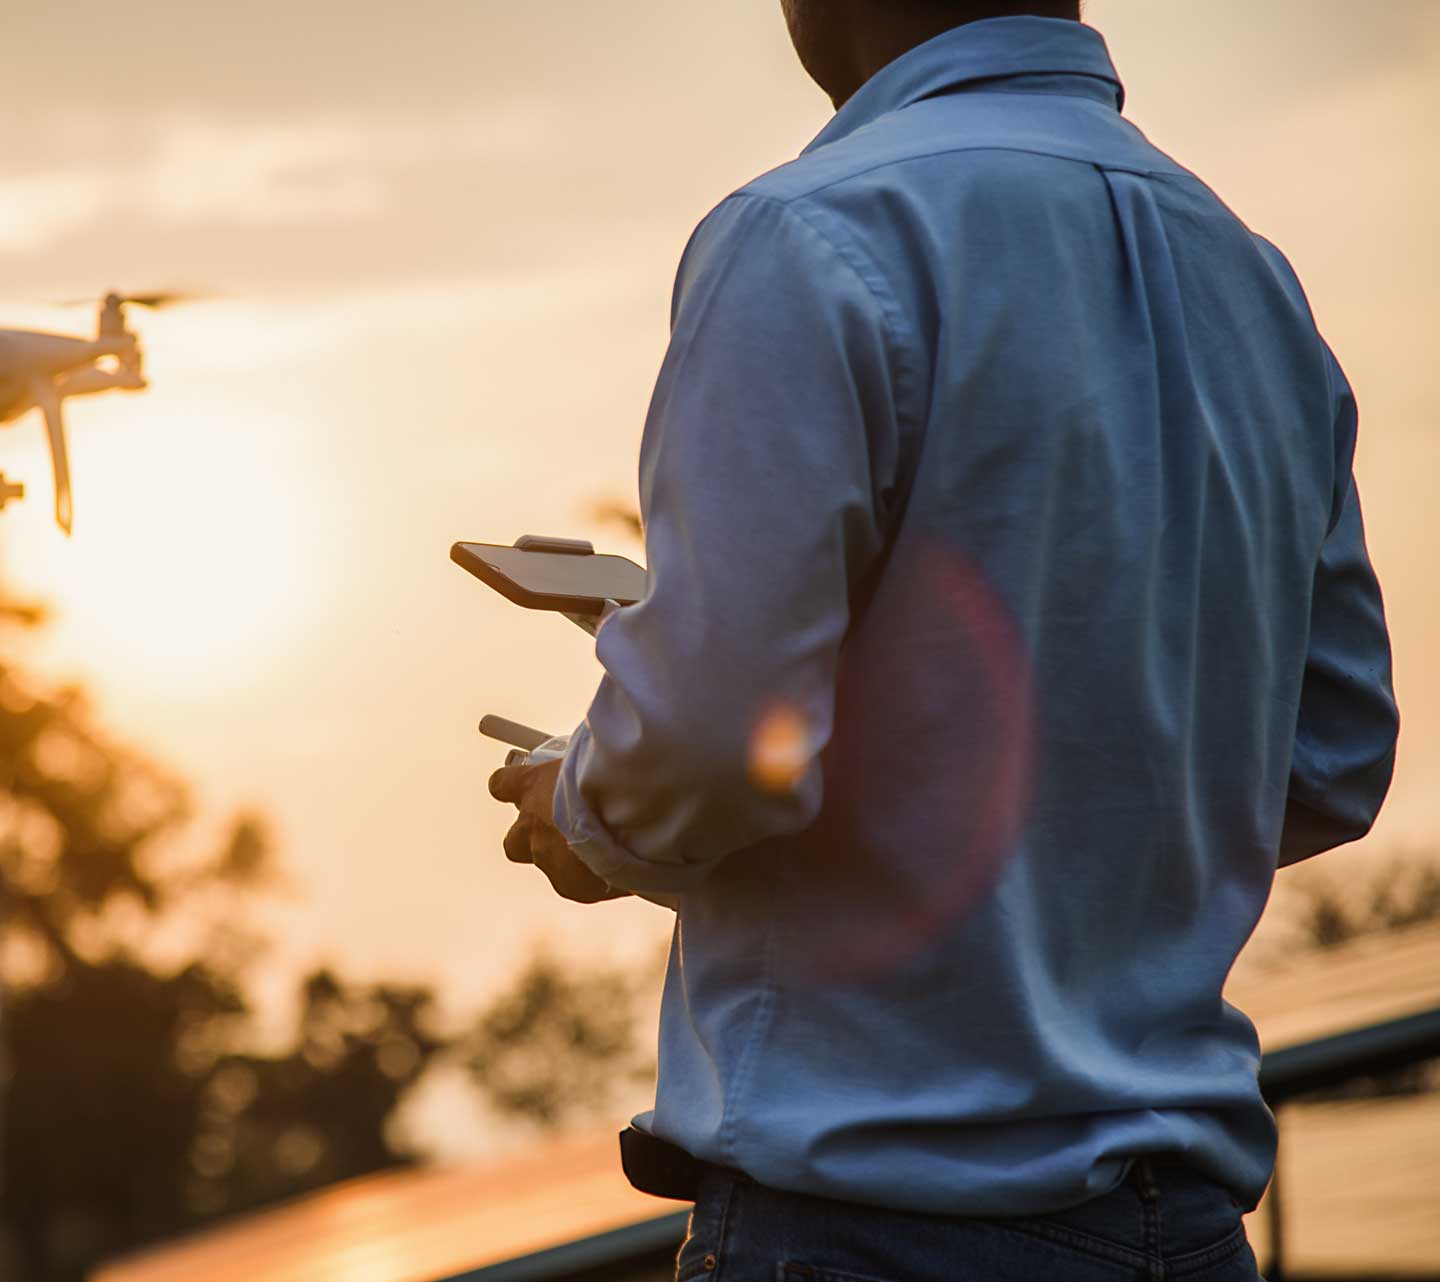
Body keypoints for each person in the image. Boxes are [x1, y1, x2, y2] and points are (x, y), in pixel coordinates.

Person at [487, 2, 1398, 1278]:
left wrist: (583, 812)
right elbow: (1331, 754)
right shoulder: (1249, 272)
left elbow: (705, 744)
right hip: (1185, 1235)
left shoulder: (809, 233)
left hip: (876, 1233)